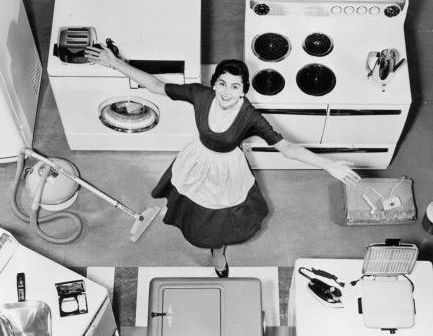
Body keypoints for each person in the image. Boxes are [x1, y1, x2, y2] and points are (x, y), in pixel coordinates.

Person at [85, 45, 361, 277]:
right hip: (197, 160)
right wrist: (115, 63)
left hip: (227, 170)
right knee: (192, 206)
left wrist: (328, 164)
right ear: (214, 83)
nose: (227, 92)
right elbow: (156, 85)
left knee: (220, 218)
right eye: (222, 84)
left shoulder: (249, 116)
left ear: (244, 90)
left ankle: (218, 253)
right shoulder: (200, 95)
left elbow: (286, 147)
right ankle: (207, 239)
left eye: (235, 86)